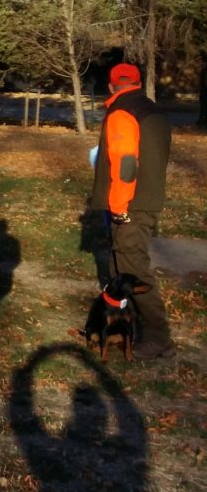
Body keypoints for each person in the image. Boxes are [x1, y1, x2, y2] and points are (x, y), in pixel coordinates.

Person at [90, 63, 173, 359]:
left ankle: (157, 336)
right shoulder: (152, 111)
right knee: (120, 268)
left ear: (112, 87)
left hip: (130, 206)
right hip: (147, 201)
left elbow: (126, 165)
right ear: (137, 83)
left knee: (134, 273)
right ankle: (127, 330)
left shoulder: (122, 113)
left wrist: (120, 208)